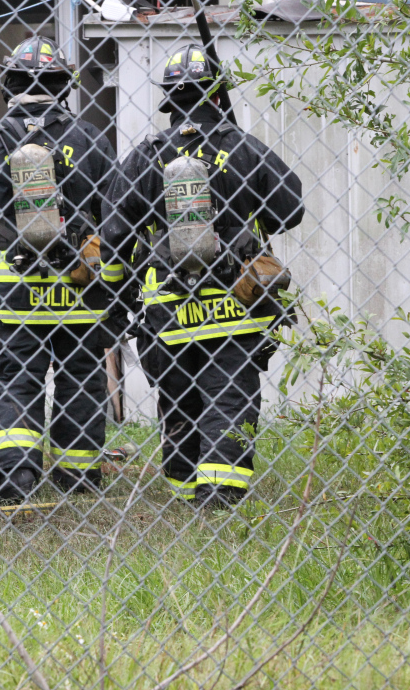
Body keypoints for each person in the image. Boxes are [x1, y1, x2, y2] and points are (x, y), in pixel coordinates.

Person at [101, 45, 305, 508]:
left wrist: (118, 299)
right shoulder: (243, 147)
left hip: (167, 312)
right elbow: (290, 210)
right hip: (235, 305)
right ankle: (219, 501)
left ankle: (183, 493)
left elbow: (114, 233)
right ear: (217, 95)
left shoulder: (148, 154)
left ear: (169, 100)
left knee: (179, 404)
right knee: (229, 399)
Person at [0, 37, 116, 501]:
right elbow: (117, 218)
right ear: (64, 86)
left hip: (11, 292)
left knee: (16, 381)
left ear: (7, 84)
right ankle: (78, 478)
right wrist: (115, 289)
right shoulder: (89, 139)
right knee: (81, 380)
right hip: (80, 290)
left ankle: (15, 480)